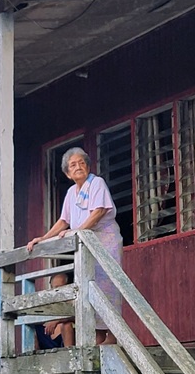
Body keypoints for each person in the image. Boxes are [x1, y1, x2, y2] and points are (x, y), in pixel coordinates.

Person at [26, 146, 123, 345]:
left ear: (88, 166)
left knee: (108, 286)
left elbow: (99, 211)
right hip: (85, 244)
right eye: (73, 165)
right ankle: (98, 335)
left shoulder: (97, 183)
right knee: (88, 287)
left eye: (81, 163)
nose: (78, 167)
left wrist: (77, 231)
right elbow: (63, 221)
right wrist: (42, 239)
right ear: (68, 173)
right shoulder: (71, 192)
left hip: (105, 242)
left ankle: (112, 335)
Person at [33, 273, 74, 349]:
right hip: (46, 346)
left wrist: (56, 321)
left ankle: (69, 357)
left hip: (68, 345)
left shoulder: (74, 303)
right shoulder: (48, 304)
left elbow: (77, 316)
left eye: (60, 288)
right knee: (35, 327)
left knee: (66, 325)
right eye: (54, 288)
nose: (57, 291)